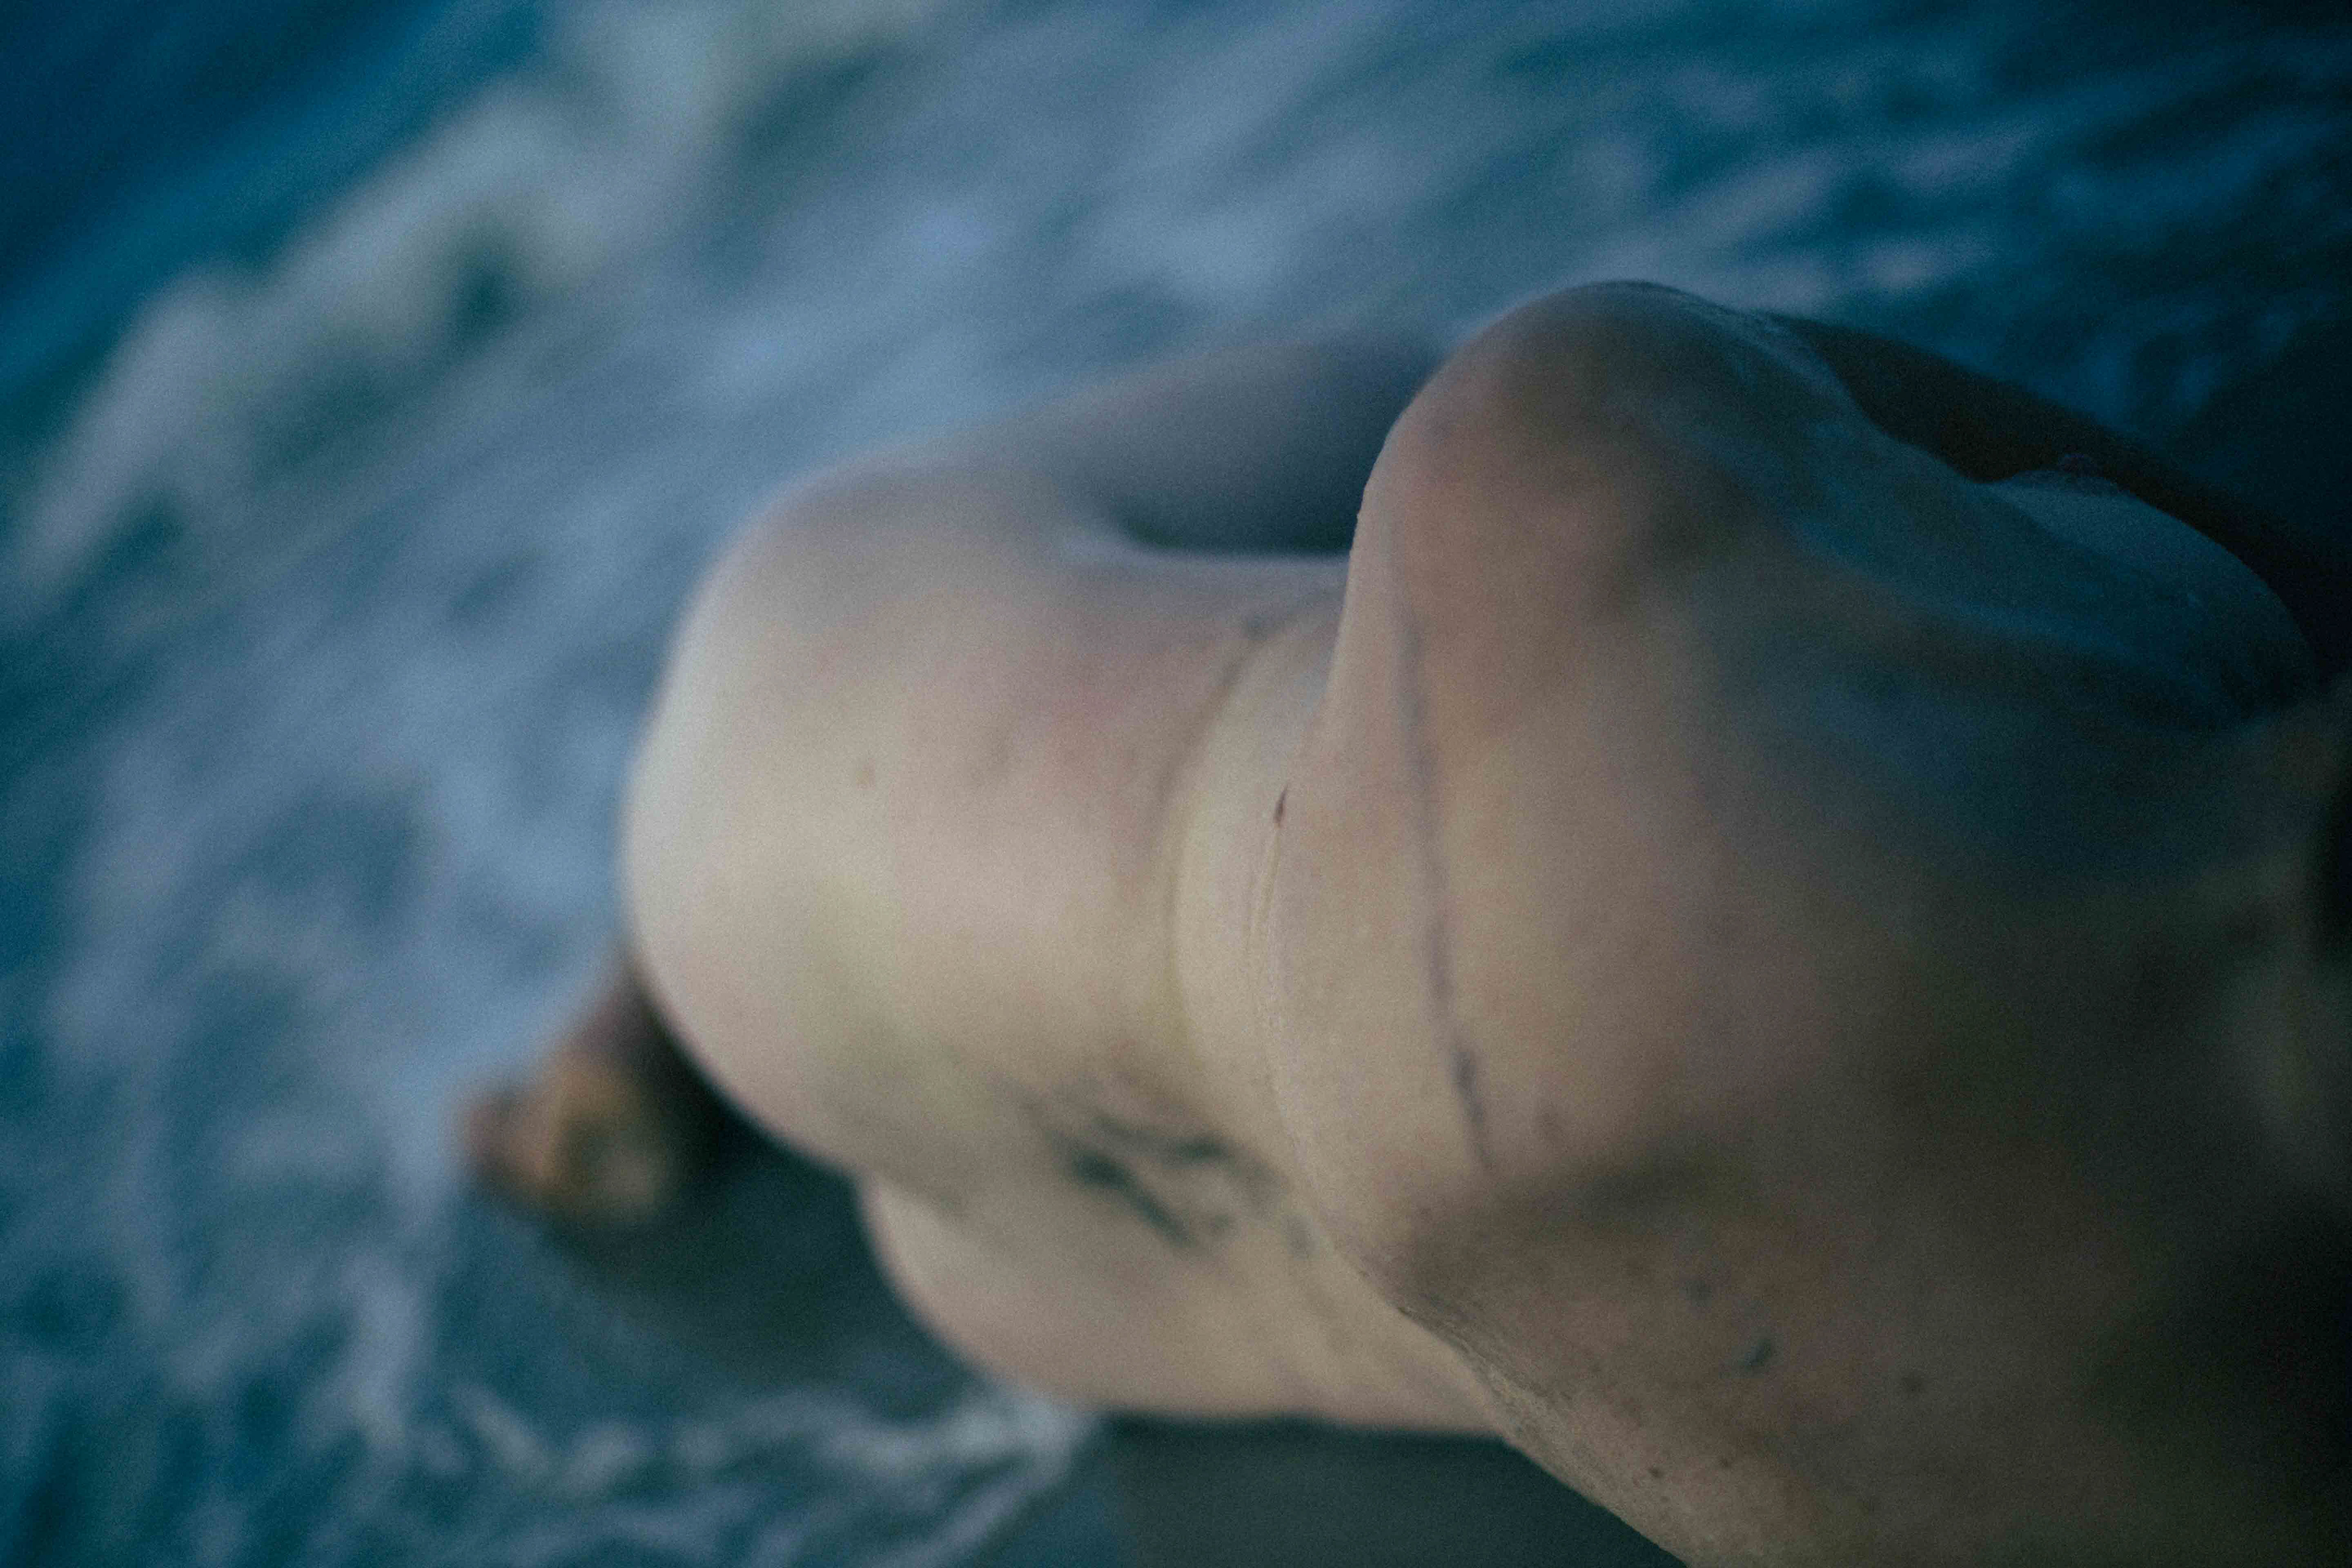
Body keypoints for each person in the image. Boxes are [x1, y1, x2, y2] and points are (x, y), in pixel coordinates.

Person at [464, 282, 2351, 1565]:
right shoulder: (2208, 1477)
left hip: (872, 867)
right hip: (1318, 1267)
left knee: (1377, 406)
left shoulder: (1570, 489)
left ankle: (634, 1017)